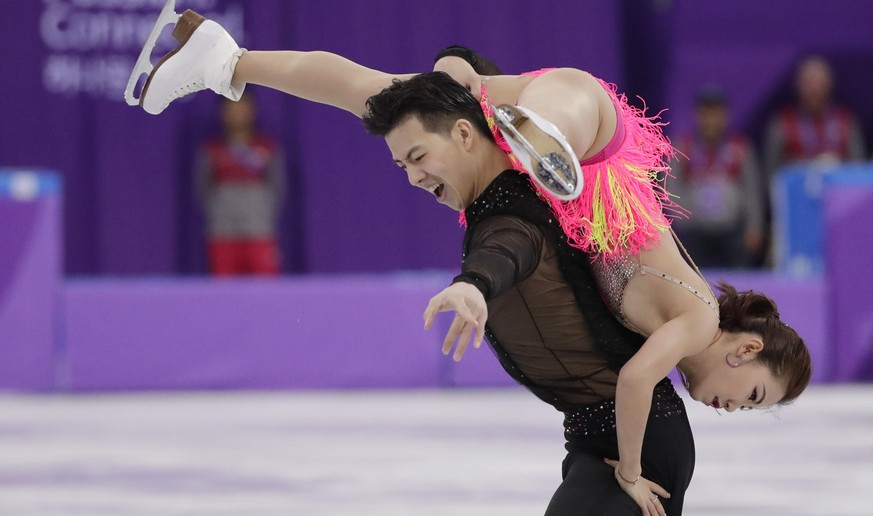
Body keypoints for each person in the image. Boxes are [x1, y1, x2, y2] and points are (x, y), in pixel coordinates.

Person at [129, 8, 812, 515]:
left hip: (547, 167)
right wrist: (629, 473)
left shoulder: (682, 322)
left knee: (381, 96)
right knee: (555, 112)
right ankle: (532, 125)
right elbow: (633, 384)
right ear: (746, 346)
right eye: (751, 393)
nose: (730, 408)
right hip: (592, 147)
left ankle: (228, 62)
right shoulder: (693, 323)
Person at [670, 85, 764, 268]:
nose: (711, 120)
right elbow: (670, 188)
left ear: (726, 116)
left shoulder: (740, 149)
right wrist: (681, 221)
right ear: (697, 115)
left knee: (740, 274)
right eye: (706, 113)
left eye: (716, 114)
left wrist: (755, 227)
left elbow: (753, 192)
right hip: (695, 230)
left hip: (731, 228)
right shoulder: (683, 147)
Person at [196, 90, 285, 276]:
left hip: (259, 233)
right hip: (222, 234)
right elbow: (202, 189)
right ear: (223, 112)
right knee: (225, 296)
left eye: (242, 106)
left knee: (266, 294)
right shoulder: (212, 151)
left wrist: (261, 216)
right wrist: (218, 214)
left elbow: (278, 188)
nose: (237, 112)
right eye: (232, 108)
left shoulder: (267, 149)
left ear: (252, 110)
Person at [764, 55, 866, 177]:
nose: (814, 89)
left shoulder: (846, 121)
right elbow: (771, 175)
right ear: (798, 85)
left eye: (819, 83)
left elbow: (859, 170)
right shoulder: (782, 123)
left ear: (829, 85)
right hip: (798, 192)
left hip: (839, 193)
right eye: (809, 83)